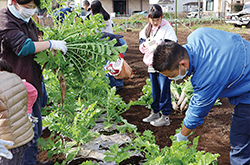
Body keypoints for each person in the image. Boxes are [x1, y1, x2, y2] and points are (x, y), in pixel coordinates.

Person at [152, 27, 250, 165]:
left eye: (172, 76)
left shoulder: (208, 77)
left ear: (182, 64)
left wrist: (182, 136)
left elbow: (197, 113)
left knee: (240, 141)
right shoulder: (198, 34)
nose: (172, 79)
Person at [0, 0, 67, 164]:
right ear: (15, 3)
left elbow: (36, 44)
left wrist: (49, 50)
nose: (31, 10)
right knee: (18, 133)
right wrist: (51, 43)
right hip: (13, 89)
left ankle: (31, 161)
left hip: (31, 84)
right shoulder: (4, 19)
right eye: (28, 7)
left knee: (34, 130)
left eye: (33, 7)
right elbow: (23, 47)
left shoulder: (27, 21)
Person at [139, 4, 177, 126]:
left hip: (164, 65)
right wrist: (145, 45)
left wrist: (158, 46)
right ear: (148, 18)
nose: (155, 22)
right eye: (152, 20)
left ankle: (165, 116)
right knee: (154, 90)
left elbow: (172, 44)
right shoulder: (147, 28)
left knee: (164, 89)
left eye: (157, 19)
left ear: (162, 17)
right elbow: (141, 42)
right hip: (152, 64)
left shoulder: (167, 28)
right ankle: (155, 112)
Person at [0, 58, 35, 165]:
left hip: (8, 141)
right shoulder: (14, 78)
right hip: (22, 135)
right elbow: (32, 91)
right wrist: (28, 111)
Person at [90, 0, 127, 92]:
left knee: (105, 65)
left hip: (103, 43)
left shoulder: (95, 18)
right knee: (114, 64)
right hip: (114, 41)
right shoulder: (107, 16)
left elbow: (95, 33)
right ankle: (118, 85)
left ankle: (107, 86)